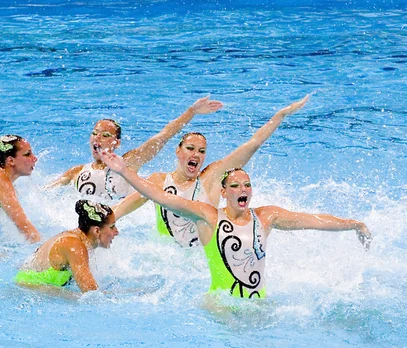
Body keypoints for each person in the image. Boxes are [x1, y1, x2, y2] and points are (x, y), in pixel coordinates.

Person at [102, 151, 372, 299]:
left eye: (247, 185)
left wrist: (354, 224)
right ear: (224, 192)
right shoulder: (209, 217)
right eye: (235, 186)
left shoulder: (266, 217)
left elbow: (313, 220)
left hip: (258, 303)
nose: (243, 190)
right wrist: (126, 171)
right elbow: (160, 196)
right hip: (221, 306)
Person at [113, 94, 311, 247]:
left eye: (201, 151)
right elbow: (120, 209)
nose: (196, 155)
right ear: (178, 151)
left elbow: (253, 144)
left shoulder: (212, 179)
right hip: (166, 258)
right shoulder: (158, 182)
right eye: (190, 149)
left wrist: (280, 115)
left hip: (202, 259)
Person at [45, 96, 223, 200]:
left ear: (116, 143)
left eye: (106, 135)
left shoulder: (127, 164)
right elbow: (43, 196)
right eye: (95, 133)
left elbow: (163, 136)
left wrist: (191, 112)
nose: (98, 138)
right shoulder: (75, 172)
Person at [15, 200, 118, 292]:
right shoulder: (75, 246)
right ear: (97, 230)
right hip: (28, 289)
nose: (116, 232)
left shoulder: (81, 237)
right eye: (112, 227)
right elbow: (91, 293)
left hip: (34, 288)